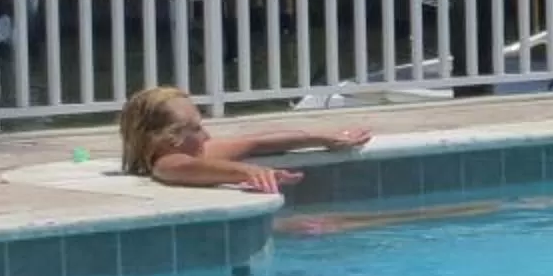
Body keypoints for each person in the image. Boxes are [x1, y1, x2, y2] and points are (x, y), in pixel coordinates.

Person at [116, 84, 370, 193]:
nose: (206, 135)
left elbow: (256, 142)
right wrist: (247, 172)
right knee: (327, 225)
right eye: (195, 129)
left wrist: (322, 138)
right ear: (164, 140)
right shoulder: (167, 163)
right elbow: (181, 168)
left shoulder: (186, 150)